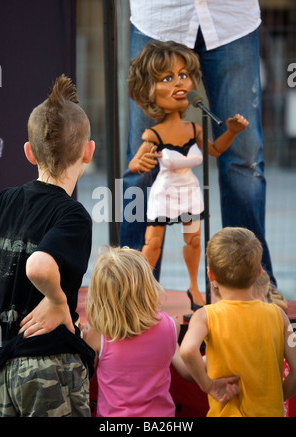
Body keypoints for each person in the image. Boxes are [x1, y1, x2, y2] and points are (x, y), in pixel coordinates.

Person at [119, 0, 278, 294]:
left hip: (231, 17)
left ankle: (251, 286)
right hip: (159, 15)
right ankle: (129, 291)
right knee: (141, 163)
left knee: (245, 162)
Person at [0, 75, 96, 417]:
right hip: (48, 366)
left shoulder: (2, 201)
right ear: (88, 151)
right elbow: (39, 265)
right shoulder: (74, 215)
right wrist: (56, 300)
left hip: (1, 361)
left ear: (28, 152)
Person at [127, 40, 248, 308]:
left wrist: (231, 131)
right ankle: (142, 289)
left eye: (183, 75)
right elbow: (134, 165)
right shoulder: (153, 134)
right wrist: (142, 162)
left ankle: (194, 287)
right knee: (153, 243)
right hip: (165, 193)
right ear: (149, 90)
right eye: (167, 78)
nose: (179, 83)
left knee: (194, 240)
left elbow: (215, 149)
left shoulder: (194, 128)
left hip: (190, 192)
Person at [180, 227, 296, 417]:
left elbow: (187, 350)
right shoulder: (278, 315)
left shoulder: (206, 315)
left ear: (210, 275)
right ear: (259, 271)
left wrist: (208, 385)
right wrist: (278, 396)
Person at [85, 246, 194, 417]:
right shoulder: (170, 326)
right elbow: (188, 372)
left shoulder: (98, 334)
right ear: (148, 287)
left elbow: (83, 378)